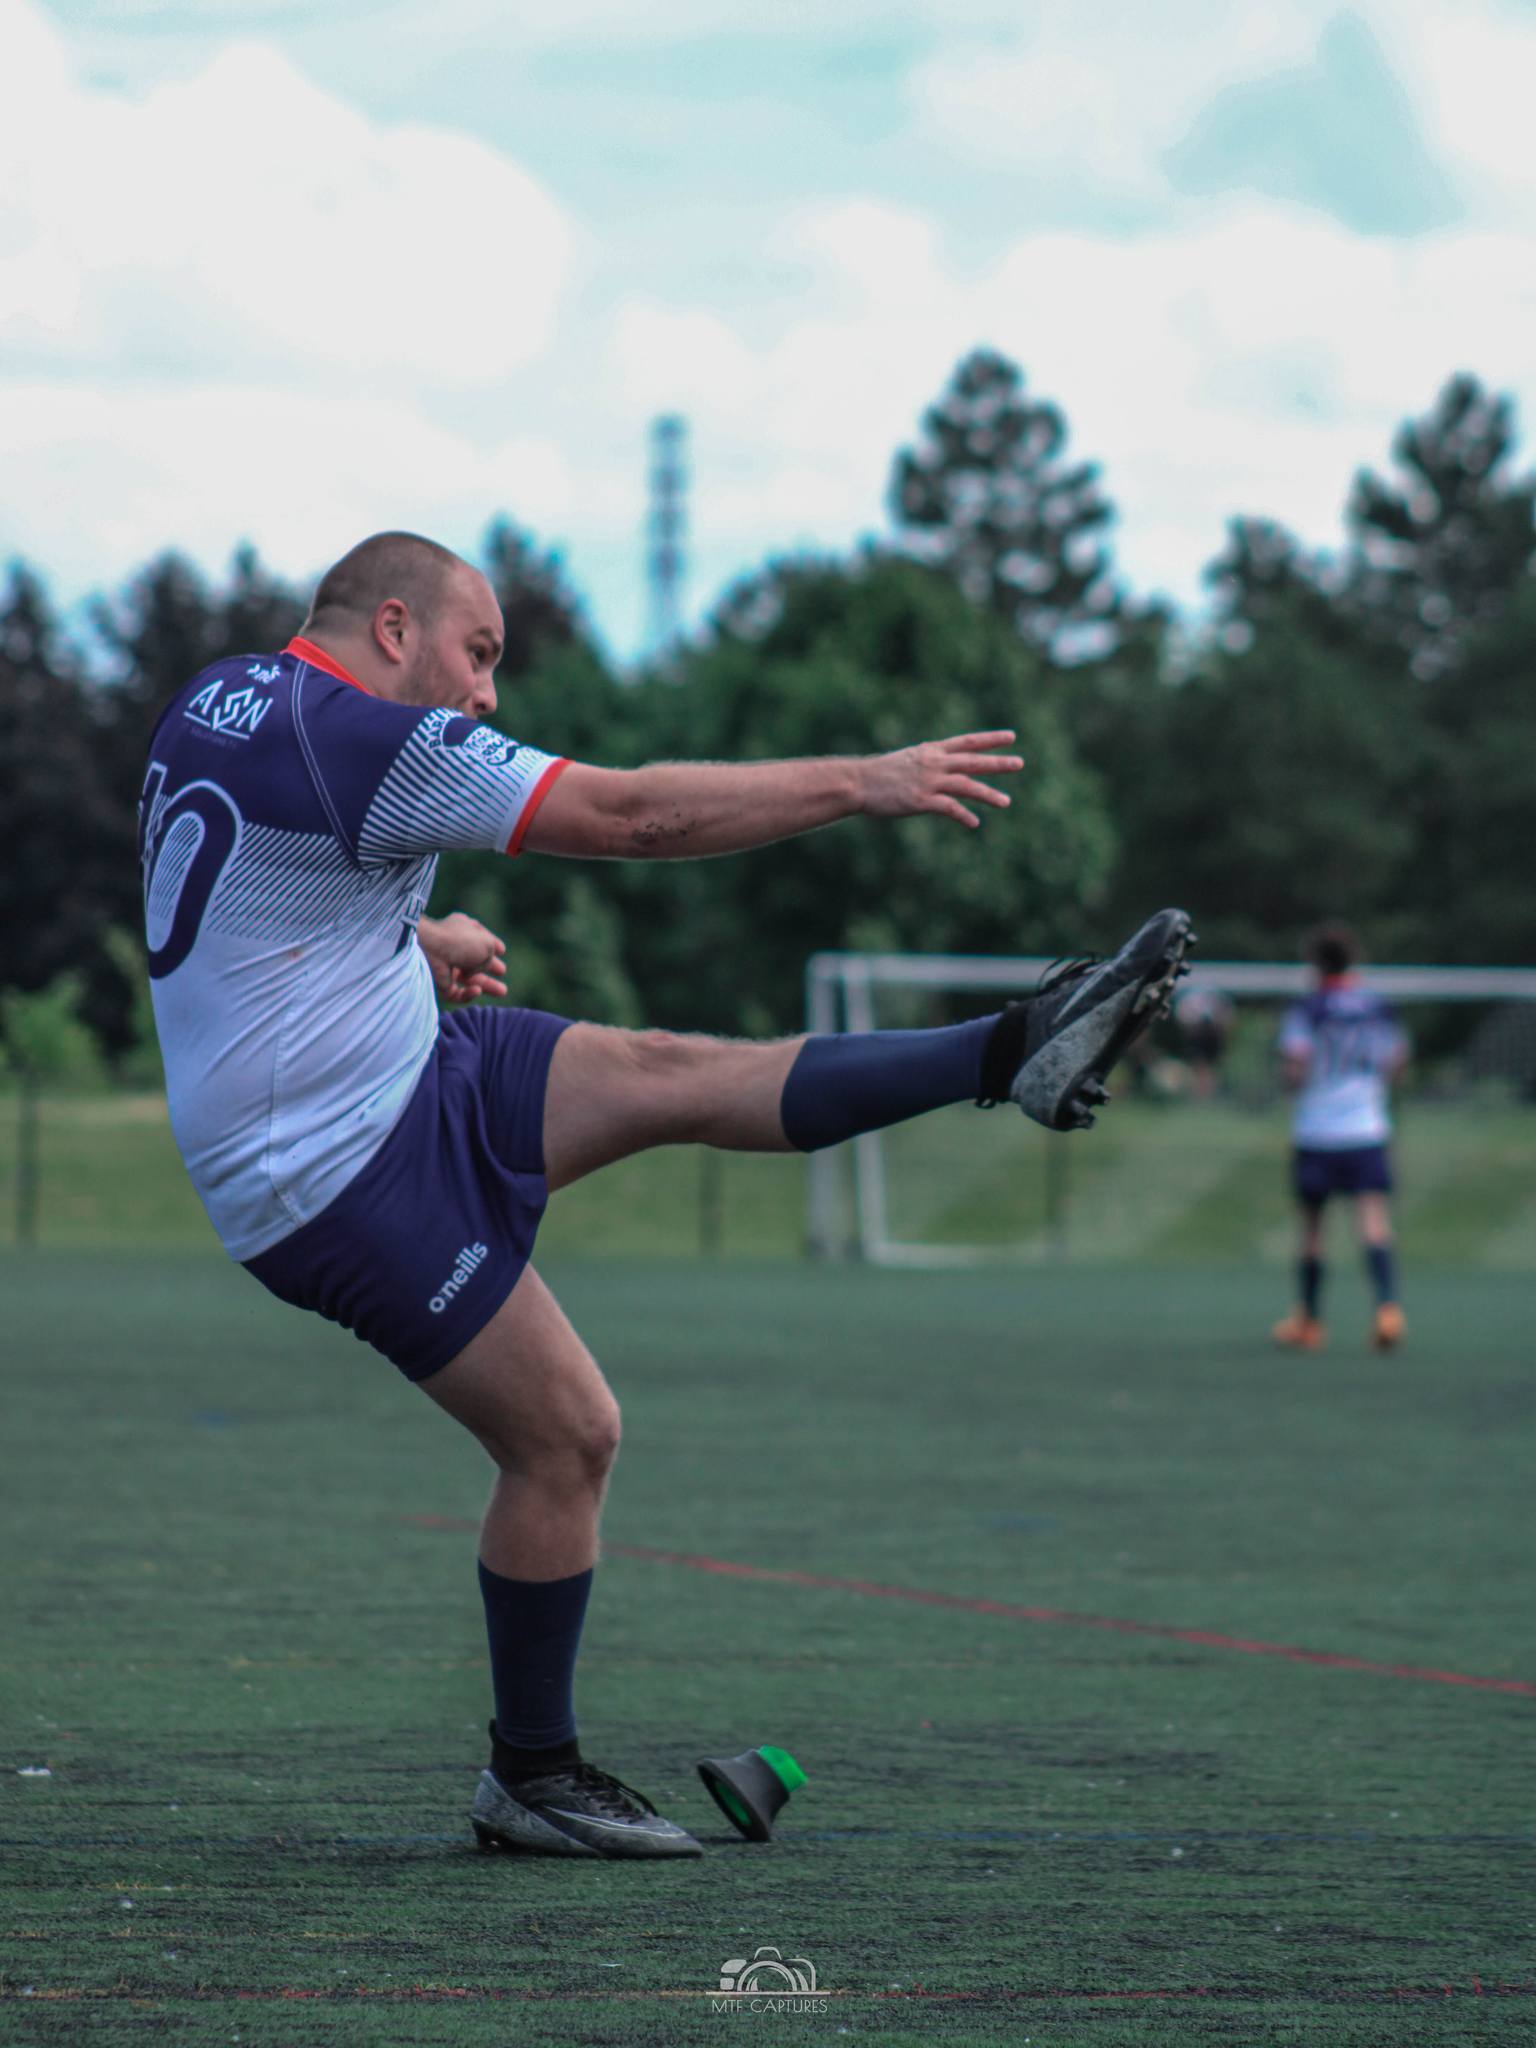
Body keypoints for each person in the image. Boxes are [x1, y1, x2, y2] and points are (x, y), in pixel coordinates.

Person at [139, 530, 1192, 1859]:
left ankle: (1013, 1047)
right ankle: (532, 1775)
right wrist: (865, 781)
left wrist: (409, 936)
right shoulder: (364, 741)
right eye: (479, 653)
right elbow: (633, 814)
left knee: (672, 1070)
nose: (488, 694)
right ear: (392, 626)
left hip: (398, 1059)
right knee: (568, 1435)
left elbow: (235, 887)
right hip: (327, 1168)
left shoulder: (221, 699)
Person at [1272, 922, 1409, 1355]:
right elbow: (1397, 1061)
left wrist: (1291, 1085)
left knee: (1313, 1229)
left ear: (1315, 963)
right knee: (1373, 1221)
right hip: (1365, 1128)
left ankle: (1310, 1321)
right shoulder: (1377, 1007)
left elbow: (1296, 1065)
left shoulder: (1308, 1009)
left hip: (1317, 1130)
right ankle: (1387, 1309)